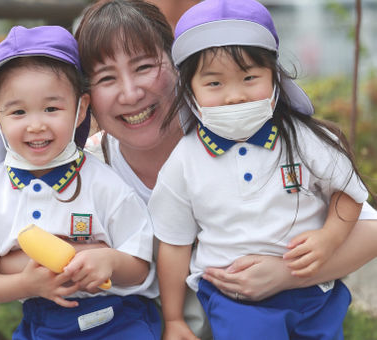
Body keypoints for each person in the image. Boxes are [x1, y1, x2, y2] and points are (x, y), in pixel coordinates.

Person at [0, 1, 377, 339]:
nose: (130, 93)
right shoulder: (86, 172)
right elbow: (4, 251)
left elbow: (369, 229)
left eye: (145, 67)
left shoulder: (255, 135)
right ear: (86, 97)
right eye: (107, 78)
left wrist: (289, 275)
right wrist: (82, 257)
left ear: (179, 68)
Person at [148, 0, 374, 339]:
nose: (235, 96)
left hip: (314, 291)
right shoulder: (184, 160)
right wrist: (174, 318)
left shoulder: (305, 139)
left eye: (250, 77)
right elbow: (174, 244)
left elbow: (348, 191)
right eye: (214, 83)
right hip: (236, 299)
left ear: (274, 78)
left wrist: (329, 239)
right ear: (189, 91)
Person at [0, 25, 161, 339]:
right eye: (18, 111)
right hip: (43, 323)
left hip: (118, 319)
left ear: (80, 109)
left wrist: (111, 260)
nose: (36, 125)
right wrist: (24, 284)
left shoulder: (104, 184)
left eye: (52, 108)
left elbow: (141, 267)